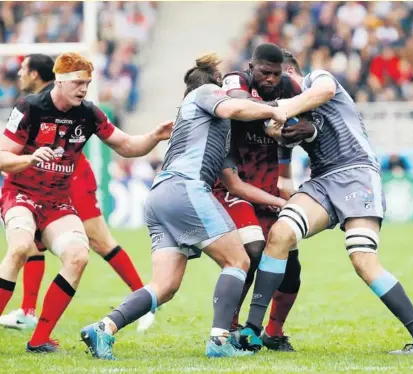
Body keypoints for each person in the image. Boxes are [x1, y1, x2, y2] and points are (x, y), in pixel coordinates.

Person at [79, 53, 289, 360]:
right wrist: (276, 108)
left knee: (164, 286)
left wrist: (278, 200)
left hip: (160, 196)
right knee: (238, 262)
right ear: (216, 85)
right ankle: (220, 341)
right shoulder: (205, 93)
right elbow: (233, 105)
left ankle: (104, 327)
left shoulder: (209, 126)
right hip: (186, 188)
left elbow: (233, 185)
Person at [233, 49, 413, 355]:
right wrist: (279, 134)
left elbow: (325, 91)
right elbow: (288, 163)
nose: (275, 84)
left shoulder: (317, 79)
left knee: (362, 258)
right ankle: (253, 330)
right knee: (281, 234)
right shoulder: (294, 112)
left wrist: (283, 106)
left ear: (291, 72)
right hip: (322, 180)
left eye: (280, 77)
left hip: (357, 171)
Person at [0, 52, 173, 353]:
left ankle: (39, 338)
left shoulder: (89, 113)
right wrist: (30, 157)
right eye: (78, 83)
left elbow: (127, 145)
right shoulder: (30, 108)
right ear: (61, 80)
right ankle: (25, 311)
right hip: (22, 195)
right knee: (19, 248)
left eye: (87, 83)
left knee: (79, 256)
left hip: (57, 202)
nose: (84, 89)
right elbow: (3, 156)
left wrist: (155, 136)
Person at [213, 43, 317, 352]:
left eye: (275, 74)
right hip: (234, 187)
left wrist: (299, 128)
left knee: (291, 267)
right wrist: (275, 114)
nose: (270, 79)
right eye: (264, 73)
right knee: (252, 253)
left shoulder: (290, 86)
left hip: (270, 191)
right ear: (251, 67)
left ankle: (272, 332)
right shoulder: (236, 80)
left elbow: (311, 122)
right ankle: (230, 329)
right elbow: (236, 103)